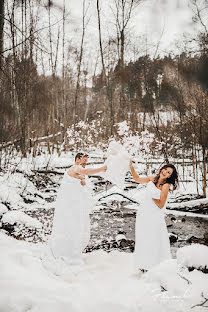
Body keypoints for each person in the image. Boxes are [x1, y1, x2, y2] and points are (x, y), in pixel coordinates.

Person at [47, 153, 107, 270]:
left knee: (76, 228)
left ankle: (72, 250)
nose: (85, 164)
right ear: (77, 160)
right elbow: (87, 172)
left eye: (86, 162)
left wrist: (83, 182)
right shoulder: (75, 168)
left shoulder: (78, 172)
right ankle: (67, 253)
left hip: (74, 205)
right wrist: (102, 168)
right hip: (70, 206)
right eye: (83, 161)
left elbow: (81, 183)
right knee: (70, 227)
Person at [129, 161, 178, 273]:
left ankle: (155, 266)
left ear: (170, 176)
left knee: (153, 239)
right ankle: (143, 265)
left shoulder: (166, 185)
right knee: (143, 239)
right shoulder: (152, 178)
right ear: (162, 169)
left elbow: (161, 204)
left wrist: (151, 197)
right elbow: (137, 179)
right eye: (165, 169)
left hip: (154, 216)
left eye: (169, 172)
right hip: (143, 213)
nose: (165, 172)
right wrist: (131, 167)